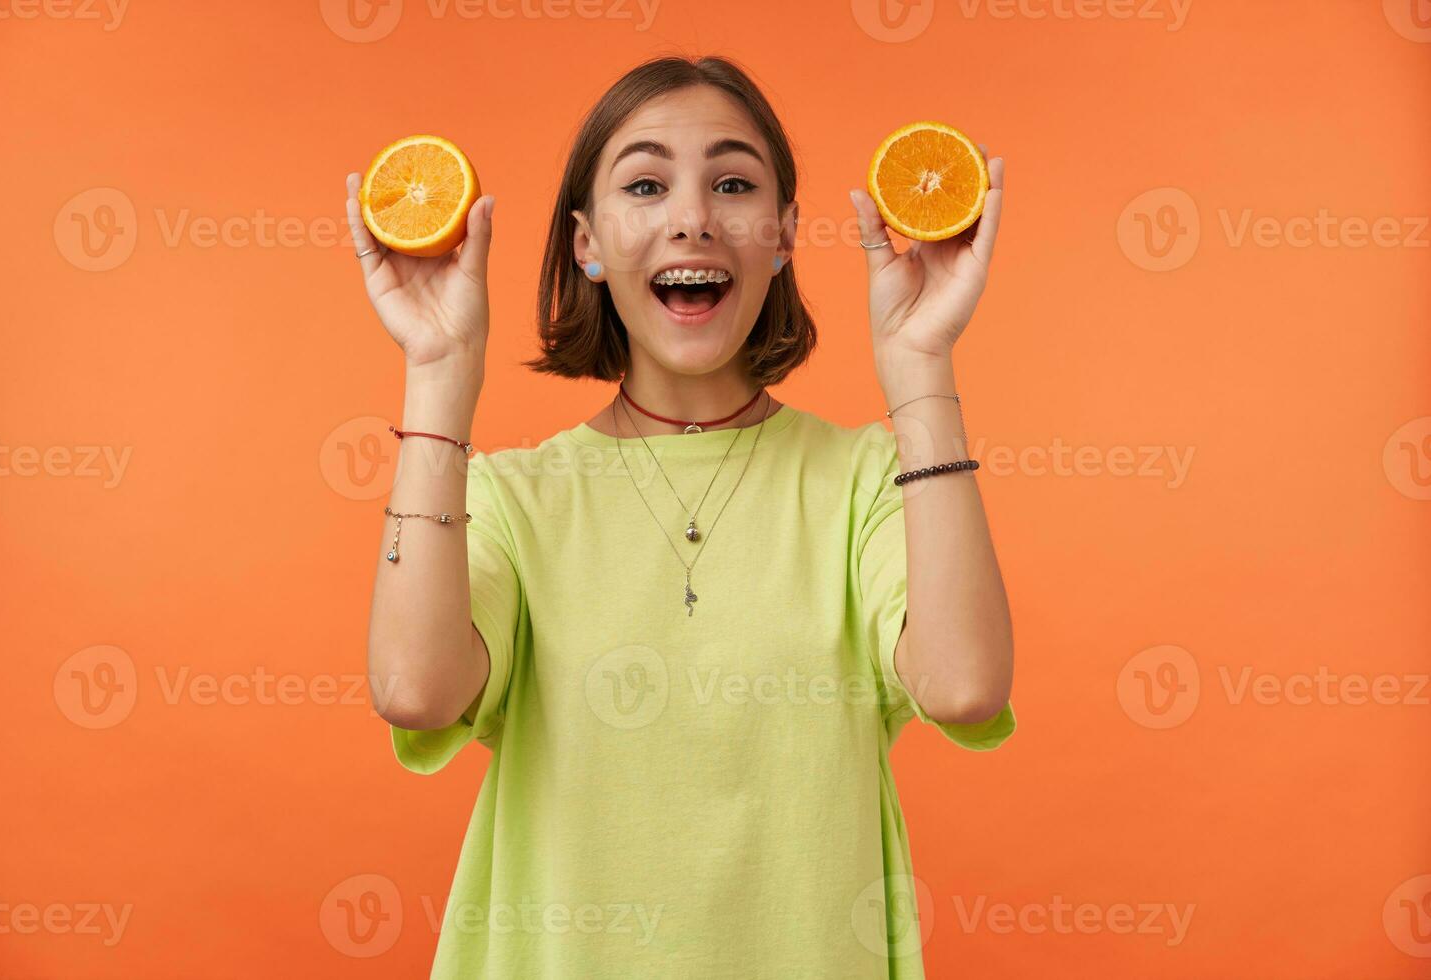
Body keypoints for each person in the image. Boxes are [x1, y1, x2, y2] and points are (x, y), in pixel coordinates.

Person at [354, 54, 1016, 980]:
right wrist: (436, 374)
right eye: (647, 183)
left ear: (783, 235)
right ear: (587, 242)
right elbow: (416, 691)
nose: (694, 216)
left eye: (734, 183)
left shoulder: (868, 479)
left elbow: (964, 686)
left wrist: (922, 370)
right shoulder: (513, 498)